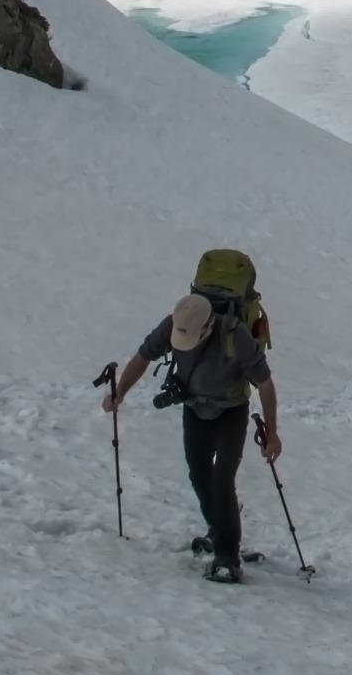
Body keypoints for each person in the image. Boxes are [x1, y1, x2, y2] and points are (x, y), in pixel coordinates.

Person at [106, 249, 281, 583]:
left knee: (221, 478)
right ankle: (219, 529)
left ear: (206, 328)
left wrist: (272, 433)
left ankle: (228, 556)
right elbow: (143, 357)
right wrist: (120, 393)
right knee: (199, 474)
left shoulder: (235, 335)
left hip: (231, 409)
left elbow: (266, 384)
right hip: (194, 408)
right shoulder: (177, 321)